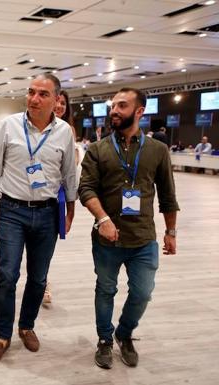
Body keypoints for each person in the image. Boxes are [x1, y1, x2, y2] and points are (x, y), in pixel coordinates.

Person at [79, 87, 179, 370]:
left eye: (121, 106)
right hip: (107, 239)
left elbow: (168, 196)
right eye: (113, 106)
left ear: (139, 111)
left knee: (143, 293)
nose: (114, 111)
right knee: (105, 289)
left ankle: (124, 333)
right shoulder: (98, 150)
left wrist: (171, 232)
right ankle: (104, 340)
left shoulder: (158, 151)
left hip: (143, 239)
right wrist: (103, 219)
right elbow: (86, 188)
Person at [0, 74, 77, 364]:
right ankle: (2, 335)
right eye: (31, 92)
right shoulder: (8, 125)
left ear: (56, 100)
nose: (34, 99)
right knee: (7, 274)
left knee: (38, 278)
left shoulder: (64, 132)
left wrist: (70, 209)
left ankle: (26, 326)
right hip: (12, 210)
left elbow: (69, 173)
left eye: (43, 94)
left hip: (48, 213)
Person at [41, 89, 83, 306]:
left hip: (56, 195)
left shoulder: (68, 130)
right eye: (56, 101)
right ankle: (40, 280)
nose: (59, 106)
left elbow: (71, 166)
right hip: (34, 193)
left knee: (48, 245)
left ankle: (43, 281)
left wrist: (71, 206)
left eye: (63, 104)